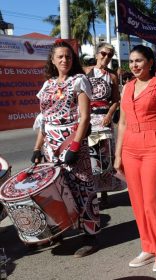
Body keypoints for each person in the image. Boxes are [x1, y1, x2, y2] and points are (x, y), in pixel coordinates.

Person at [31, 39, 100, 258]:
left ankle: (90, 235)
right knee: (55, 191)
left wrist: (75, 146)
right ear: (52, 60)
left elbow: (85, 117)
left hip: (71, 143)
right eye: (60, 56)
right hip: (50, 147)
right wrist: (37, 148)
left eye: (68, 56)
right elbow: (44, 119)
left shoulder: (79, 80)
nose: (64, 60)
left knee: (82, 188)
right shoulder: (48, 85)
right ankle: (59, 230)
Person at [114, 45, 156, 272]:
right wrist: (118, 153)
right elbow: (122, 123)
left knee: (154, 203)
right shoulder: (127, 87)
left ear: (151, 62)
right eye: (131, 61)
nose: (134, 65)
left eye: (139, 60)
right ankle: (148, 247)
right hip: (130, 149)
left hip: (155, 148)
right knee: (138, 203)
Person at [86, 42, 124, 209]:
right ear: (96, 54)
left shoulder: (112, 76)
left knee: (104, 157)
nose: (106, 57)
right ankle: (92, 191)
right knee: (90, 158)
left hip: (104, 121)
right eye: (103, 53)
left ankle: (104, 192)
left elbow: (116, 100)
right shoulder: (85, 72)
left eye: (110, 55)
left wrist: (109, 114)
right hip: (88, 120)